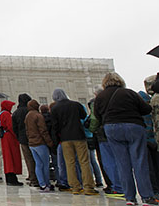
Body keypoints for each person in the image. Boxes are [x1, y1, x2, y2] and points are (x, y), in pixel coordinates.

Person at [94, 73, 157, 205]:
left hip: (111, 128)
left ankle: (129, 197)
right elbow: (146, 109)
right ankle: (146, 196)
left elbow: (97, 116)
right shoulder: (128, 93)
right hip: (133, 126)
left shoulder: (100, 97)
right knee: (139, 161)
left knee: (122, 164)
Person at [51, 88, 99, 195]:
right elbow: (83, 116)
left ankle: (75, 187)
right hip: (79, 136)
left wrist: (56, 141)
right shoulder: (75, 105)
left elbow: (55, 127)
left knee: (69, 163)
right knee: (84, 162)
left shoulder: (55, 109)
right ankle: (88, 187)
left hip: (65, 139)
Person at [25, 99, 54, 192]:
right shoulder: (38, 116)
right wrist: (49, 142)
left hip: (32, 143)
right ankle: (47, 183)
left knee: (38, 164)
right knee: (45, 164)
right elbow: (43, 131)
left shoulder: (27, 116)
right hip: (40, 143)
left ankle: (42, 184)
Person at [12, 93, 38, 187]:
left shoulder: (16, 112)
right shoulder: (31, 110)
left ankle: (32, 177)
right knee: (36, 158)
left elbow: (14, 127)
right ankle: (38, 177)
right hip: (34, 137)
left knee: (28, 159)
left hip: (23, 139)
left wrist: (19, 137)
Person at [0, 100, 23, 186]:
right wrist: (17, 135)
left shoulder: (1, 114)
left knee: (8, 158)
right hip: (10, 138)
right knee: (11, 157)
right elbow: (10, 126)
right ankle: (12, 178)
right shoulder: (6, 114)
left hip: (5, 138)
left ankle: (9, 178)